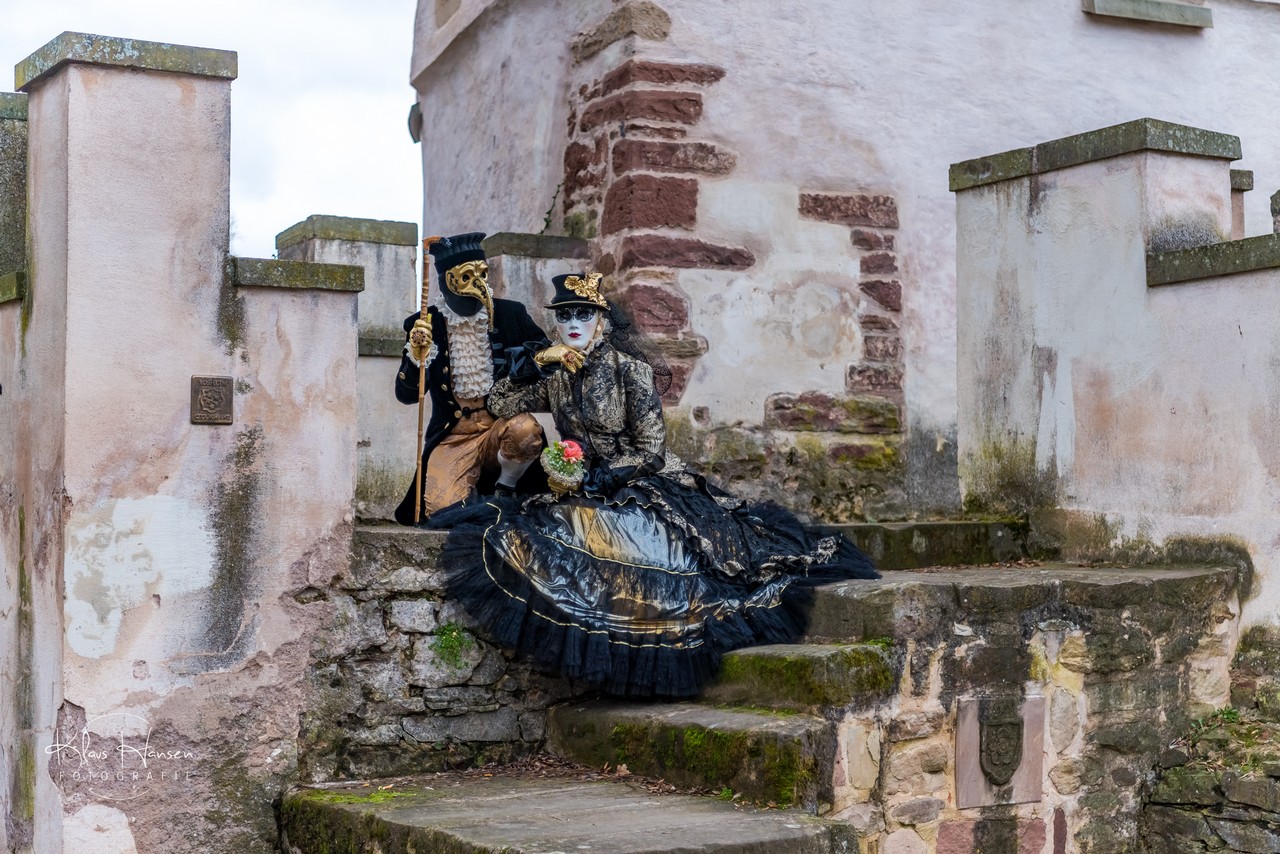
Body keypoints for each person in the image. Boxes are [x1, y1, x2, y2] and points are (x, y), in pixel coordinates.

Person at [430, 272, 878, 697]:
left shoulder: (629, 369)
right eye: (564, 315)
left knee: (634, 541)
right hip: (584, 484)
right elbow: (500, 403)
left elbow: (652, 449)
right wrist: (536, 363)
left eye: (583, 313)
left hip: (643, 481)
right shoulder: (557, 375)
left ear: (601, 321)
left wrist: (609, 474)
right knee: (549, 530)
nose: (573, 323)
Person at [393, 232, 549, 525]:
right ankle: (475, 498)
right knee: (442, 513)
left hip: (500, 427)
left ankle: (506, 489)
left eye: (483, 275)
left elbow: (543, 357)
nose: (479, 285)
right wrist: (416, 357)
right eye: (467, 277)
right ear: (447, 280)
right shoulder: (424, 323)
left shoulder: (510, 314)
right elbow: (406, 395)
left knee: (525, 430)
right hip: (454, 437)